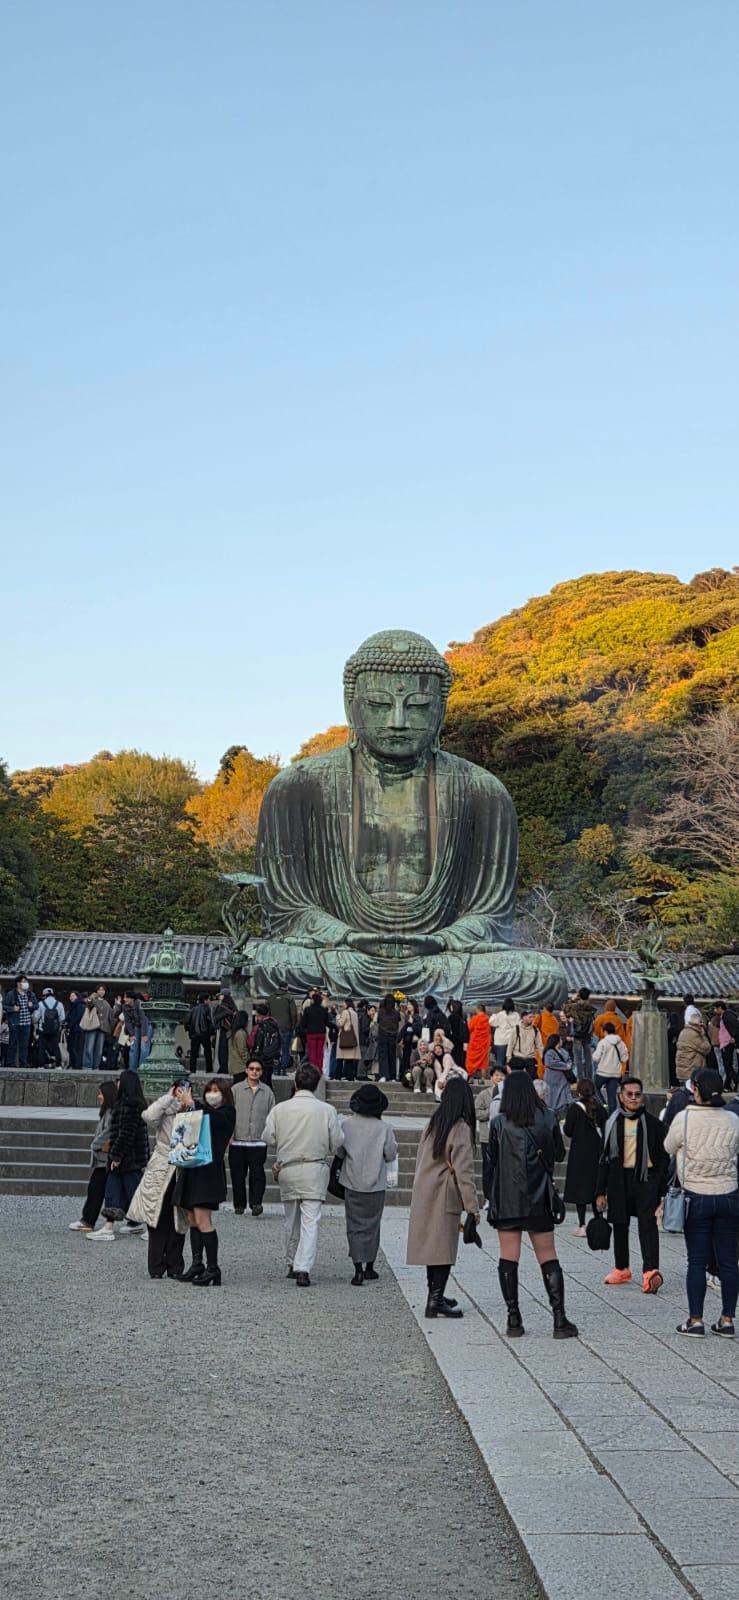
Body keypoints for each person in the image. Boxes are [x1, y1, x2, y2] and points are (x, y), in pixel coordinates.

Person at [488, 1070, 577, 1339]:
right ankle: (559, 1318)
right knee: (548, 1256)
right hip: (539, 1197)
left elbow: (492, 1158)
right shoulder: (548, 1116)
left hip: (507, 1199)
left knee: (508, 1257)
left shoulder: (499, 1122)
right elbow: (559, 1153)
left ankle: (513, 1318)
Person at [665, 1068, 739, 1337]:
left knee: (696, 1261)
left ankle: (695, 1320)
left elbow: (668, 1147)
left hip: (696, 1194)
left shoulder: (685, 1118)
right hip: (729, 1194)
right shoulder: (732, 1119)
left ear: (695, 1089)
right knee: (729, 1261)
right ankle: (727, 1318)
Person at [263, 1061, 342, 1287]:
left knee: (291, 1219)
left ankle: (291, 1260)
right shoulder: (327, 1110)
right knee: (311, 1220)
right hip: (315, 1167)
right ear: (316, 1084)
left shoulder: (280, 1109)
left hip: (288, 1166)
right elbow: (337, 1141)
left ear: (295, 1082)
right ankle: (303, 1266)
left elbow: (268, 1136)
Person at [407, 1075, 479, 1319]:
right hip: (444, 1191)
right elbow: (464, 1171)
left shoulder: (434, 1122)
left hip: (425, 1189)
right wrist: (473, 1207)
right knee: (444, 1248)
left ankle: (434, 1293)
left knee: (432, 1248)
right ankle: (435, 1300)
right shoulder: (459, 1127)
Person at [596, 1076, 668, 1293]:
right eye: (629, 1094)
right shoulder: (612, 1123)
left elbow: (664, 1157)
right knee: (619, 1223)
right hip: (618, 1178)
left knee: (647, 1226)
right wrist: (600, 1191)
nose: (634, 1098)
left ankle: (650, 1270)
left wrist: (659, 1185)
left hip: (645, 1180)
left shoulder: (654, 1124)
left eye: (637, 1094)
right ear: (620, 1096)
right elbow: (604, 1158)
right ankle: (621, 1267)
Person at [127, 1077, 192, 1278]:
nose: (182, 1094)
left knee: (178, 1219)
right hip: (161, 1165)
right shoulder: (165, 1110)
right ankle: (156, 1266)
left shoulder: (193, 1112)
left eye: (186, 1090)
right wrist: (168, 1097)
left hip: (183, 1167)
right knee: (156, 1218)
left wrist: (190, 1106)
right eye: (179, 1089)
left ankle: (175, 1266)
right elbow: (148, 1116)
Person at [175, 1078, 236, 1285]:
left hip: (209, 1171)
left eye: (216, 1090)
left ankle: (213, 1267)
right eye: (209, 1090)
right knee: (192, 1219)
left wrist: (194, 1105)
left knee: (203, 1220)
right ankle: (197, 1263)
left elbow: (215, 1119)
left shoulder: (227, 1112)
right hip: (193, 1167)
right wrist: (185, 1110)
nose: (212, 1094)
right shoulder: (201, 1110)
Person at [337, 1082, 398, 1284]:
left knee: (354, 1225)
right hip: (375, 1183)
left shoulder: (345, 1125)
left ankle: (357, 1268)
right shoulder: (384, 1128)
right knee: (372, 1225)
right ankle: (370, 1265)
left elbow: (339, 1152)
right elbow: (390, 1154)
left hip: (352, 1181)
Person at [86, 1071, 150, 1243]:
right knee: (113, 1192)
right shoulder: (133, 1104)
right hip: (128, 1157)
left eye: (120, 1082)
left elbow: (126, 1134)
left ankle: (152, 1227)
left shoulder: (129, 1106)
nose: (117, 1085)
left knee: (135, 1193)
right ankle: (108, 1227)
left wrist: (116, 1155)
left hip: (128, 1158)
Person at [229, 1059, 275, 1216]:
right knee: (237, 1174)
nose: (254, 1071)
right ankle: (239, 1205)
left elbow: (272, 1115)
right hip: (238, 1139)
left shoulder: (267, 1092)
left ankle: (256, 1203)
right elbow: (229, 1113)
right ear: (246, 1070)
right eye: (252, 1068)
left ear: (261, 1072)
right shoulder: (236, 1090)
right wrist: (229, 1135)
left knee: (258, 1174)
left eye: (258, 1069)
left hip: (258, 1140)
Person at [69, 1081, 117, 1232]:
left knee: (96, 1190)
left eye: (101, 1093)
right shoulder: (109, 1111)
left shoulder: (110, 1113)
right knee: (102, 1191)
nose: (99, 1096)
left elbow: (108, 1131)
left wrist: (95, 1144)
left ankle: (88, 1220)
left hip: (105, 1160)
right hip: (104, 1160)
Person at [563, 1081, 606, 1234]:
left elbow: (568, 1130)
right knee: (596, 1187)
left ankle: (582, 1225)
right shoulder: (600, 1108)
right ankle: (599, 1220)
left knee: (580, 1188)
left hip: (579, 1153)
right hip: (597, 1152)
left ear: (579, 1092)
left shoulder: (575, 1108)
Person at [475, 1065, 506, 1199]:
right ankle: (488, 1197)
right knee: (488, 1168)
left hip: (503, 1135)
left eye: (502, 1075)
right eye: (496, 1075)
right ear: (491, 1077)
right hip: (486, 1136)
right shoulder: (484, 1094)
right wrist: (491, 1112)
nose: (499, 1078)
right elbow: (476, 1112)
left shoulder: (507, 1094)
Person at [592, 1023, 629, 1114]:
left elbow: (596, 1057)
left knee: (594, 1087)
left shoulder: (603, 1042)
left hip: (603, 1072)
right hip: (615, 1073)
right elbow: (625, 1058)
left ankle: (603, 1104)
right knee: (611, 1095)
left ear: (605, 1031)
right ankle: (612, 1116)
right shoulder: (621, 1043)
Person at [5, 975, 39, 1068]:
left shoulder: (30, 994)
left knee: (24, 1045)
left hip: (27, 1022)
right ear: (18, 983)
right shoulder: (11, 994)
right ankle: (10, 1063)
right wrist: (12, 1008)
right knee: (13, 1043)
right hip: (15, 1022)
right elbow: (4, 1006)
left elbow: (37, 1006)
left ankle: (23, 1063)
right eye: (23, 981)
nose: (25, 983)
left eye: (25, 981)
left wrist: (32, 1005)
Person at [562, 988, 596, 1081]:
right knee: (588, 1058)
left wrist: (572, 1000)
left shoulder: (576, 1006)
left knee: (578, 1059)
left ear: (579, 995)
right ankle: (589, 1078)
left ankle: (580, 1079)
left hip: (578, 1034)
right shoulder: (590, 1006)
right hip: (587, 1034)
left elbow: (565, 1010)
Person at [268, 983, 299, 1074]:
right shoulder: (289, 998)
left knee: (274, 1049)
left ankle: (274, 1068)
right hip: (286, 1027)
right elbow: (293, 1013)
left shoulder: (271, 997)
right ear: (287, 987)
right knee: (285, 1049)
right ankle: (283, 1069)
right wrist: (293, 1026)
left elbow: (267, 1011)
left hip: (273, 1027)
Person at [675, 1007, 712, 1084]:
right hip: (691, 1071)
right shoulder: (693, 1035)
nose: (702, 1027)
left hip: (684, 1070)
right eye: (701, 1025)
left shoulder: (684, 1032)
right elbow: (706, 1048)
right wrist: (703, 1035)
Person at [709, 1002, 739, 1092]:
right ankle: (727, 1085)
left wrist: (735, 1038)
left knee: (727, 1066)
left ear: (720, 1008)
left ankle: (736, 1081)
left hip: (727, 1043)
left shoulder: (727, 1016)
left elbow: (736, 1027)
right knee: (728, 1066)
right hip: (725, 1043)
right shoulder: (724, 1017)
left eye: (715, 1008)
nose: (714, 1010)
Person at [543, 1033, 573, 1119]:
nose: (561, 1041)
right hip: (552, 1077)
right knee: (552, 1095)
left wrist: (569, 1064)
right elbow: (549, 1062)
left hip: (563, 1077)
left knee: (563, 1093)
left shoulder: (564, 1051)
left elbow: (569, 1060)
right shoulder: (549, 1052)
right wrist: (565, 1066)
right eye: (560, 1039)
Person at [252, 1003, 282, 1088]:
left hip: (262, 1058)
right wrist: (276, 1056)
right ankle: (270, 1099)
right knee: (268, 1080)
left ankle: (265, 1099)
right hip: (271, 1058)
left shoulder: (261, 1027)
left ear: (258, 1015)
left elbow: (256, 1043)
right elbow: (278, 1041)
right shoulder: (274, 1024)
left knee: (262, 1082)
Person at [34, 987, 65, 1069]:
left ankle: (41, 1065)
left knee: (42, 1047)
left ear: (44, 995)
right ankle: (58, 1065)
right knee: (56, 1047)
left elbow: (36, 1017)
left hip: (43, 1029)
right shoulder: (59, 1004)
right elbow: (62, 1018)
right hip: (55, 1030)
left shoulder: (40, 1004)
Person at [300, 989, 329, 1072]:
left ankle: (313, 1070)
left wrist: (304, 1030)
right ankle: (320, 1069)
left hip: (311, 1033)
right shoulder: (324, 1010)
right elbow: (327, 1022)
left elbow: (303, 1023)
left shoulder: (308, 1010)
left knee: (312, 1053)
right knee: (320, 1053)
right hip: (321, 1033)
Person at [507, 1010, 543, 1077]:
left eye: (533, 1017)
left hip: (530, 1058)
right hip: (518, 1058)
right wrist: (508, 1057)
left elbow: (540, 1046)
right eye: (530, 1017)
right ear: (524, 1017)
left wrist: (543, 1058)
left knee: (532, 1078)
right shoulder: (516, 1029)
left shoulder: (535, 1030)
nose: (532, 1019)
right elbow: (511, 1044)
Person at [186, 994, 214, 1075]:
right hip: (205, 1033)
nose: (209, 1001)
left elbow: (187, 1021)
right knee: (207, 1052)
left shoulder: (193, 1009)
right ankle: (209, 1069)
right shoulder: (207, 1009)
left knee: (194, 1052)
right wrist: (211, 1032)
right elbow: (210, 1022)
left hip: (194, 1034)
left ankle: (192, 1069)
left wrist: (190, 1030)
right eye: (208, 999)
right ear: (205, 1000)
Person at [335, 998, 362, 1082]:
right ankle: (350, 1076)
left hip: (345, 1038)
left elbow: (340, 1023)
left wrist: (338, 1017)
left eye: (344, 1003)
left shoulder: (345, 1012)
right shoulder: (354, 1013)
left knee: (340, 1059)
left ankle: (338, 1076)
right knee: (350, 1060)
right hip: (353, 1039)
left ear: (347, 1004)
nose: (343, 1005)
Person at [376, 993, 400, 1082]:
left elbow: (378, 1021)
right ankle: (392, 1076)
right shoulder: (396, 1013)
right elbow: (398, 1022)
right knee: (392, 1056)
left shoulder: (381, 1012)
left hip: (382, 1036)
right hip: (393, 1037)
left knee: (383, 1056)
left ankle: (383, 1075)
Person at [490, 998, 520, 1069]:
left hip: (501, 1040)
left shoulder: (501, 1014)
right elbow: (519, 1025)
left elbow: (491, 1022)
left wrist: (494, 1015)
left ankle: (499, 1076)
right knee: (511, 1061)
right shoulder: (516, 1015)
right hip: (511, 1040)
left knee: (500, 1060)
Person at [465, 1005, 491, 1078]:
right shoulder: (487, 1019)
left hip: (474, 1043)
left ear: (477, 1010)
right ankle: (483, 1078)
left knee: (472, 1060)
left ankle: (471, 1077)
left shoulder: (474, 1018)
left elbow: (469, 1028)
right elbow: (489, 1031)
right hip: (484, 1043)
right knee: (483, 1061)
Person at [398, 1000, 421, 1080]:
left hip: (413, 1043)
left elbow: (419, 1030)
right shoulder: (407, 1016)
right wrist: (400, 1039)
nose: (408, 1006)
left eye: (410, 1004)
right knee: (405, 1059)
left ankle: (408, 1077)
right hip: (406, 1042)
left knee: (409, 1060)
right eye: (408, 1004)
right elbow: (404, 1029)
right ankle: (403, 1076)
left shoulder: (416, 1016)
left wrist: (412, 1024)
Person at [65, 990, 86, 1070]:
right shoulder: (74, 1005)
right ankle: (73, 1064)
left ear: (77, 996)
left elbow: (77, 1017)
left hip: (77, 1030)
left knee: (75, 1048)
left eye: (73, 996)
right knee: (72, 1048)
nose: (71, 997)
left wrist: (70, 1025)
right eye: (70, 996)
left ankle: (76, 1065)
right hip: (74, 1029)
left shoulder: (79, 1005)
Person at [445, 999, 469, 1068]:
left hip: (454, 1042)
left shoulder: (452, 1017)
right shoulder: (462, 1017)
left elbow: (448, 1030)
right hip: (461, 1042)